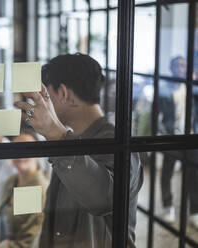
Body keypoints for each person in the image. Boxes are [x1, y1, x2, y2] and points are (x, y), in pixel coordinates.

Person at [14, 53, 143, 248]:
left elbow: (102, 199)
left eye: (45, 95)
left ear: (64, 93)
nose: (41, 104)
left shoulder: (117, 143)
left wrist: (56, 134)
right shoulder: (75, 140)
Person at [158, 56, 186, 223]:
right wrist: (163, 134)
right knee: (167, 173)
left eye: (183, 66)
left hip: (190, 136)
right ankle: (168, 206)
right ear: (172, 68)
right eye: (177, 65)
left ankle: (194, 211)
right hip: (172, 137)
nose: (180, 69)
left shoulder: (191, 89)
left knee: (192, 174)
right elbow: (157, 115)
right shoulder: (164, 90)